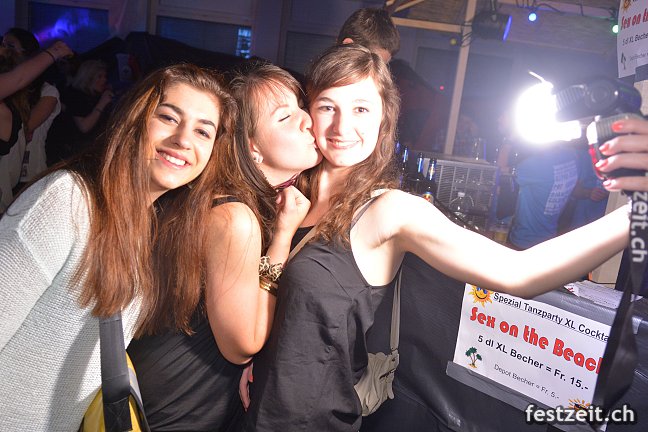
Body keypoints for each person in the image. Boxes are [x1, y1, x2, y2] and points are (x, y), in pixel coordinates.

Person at [241, 44, 631, 431]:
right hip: (252, 410)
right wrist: (256, 357)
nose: (342, 127)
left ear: (384, 118)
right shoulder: (293, 196)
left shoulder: (388, 210)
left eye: (361, 109)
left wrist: (635, 215)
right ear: (309, 112)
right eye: (328, 107)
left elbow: (520, 273)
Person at [0, 63, 236, 431]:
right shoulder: (67, 200)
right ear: (135, 120)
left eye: (203, 131)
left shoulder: (148, 228)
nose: (183, 140)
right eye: (168, 118)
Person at [126, 61, 320, 431]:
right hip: (174, 413)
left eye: (300, 106)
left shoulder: (222, 198)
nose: (307, 120)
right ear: (251, 147)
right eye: (285, 117)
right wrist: (282, 238)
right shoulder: (234, 216)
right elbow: (243, 345)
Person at [2, 28, 62, 184]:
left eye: (10, 46)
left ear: (27, 53)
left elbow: (27, 126)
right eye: (3, 44)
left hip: (29, 172)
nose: (4, 50)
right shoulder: (8, 89)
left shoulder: (48, 91)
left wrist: (54, 53)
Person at [507, 143, 579, 249]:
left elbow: (498, 174)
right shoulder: (572, 155)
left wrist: (508, 141)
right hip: (549, 237)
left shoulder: (536, 165)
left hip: (525, 240)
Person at [47, 59, 113, 161]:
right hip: (75, 153)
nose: (104, 80)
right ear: (88, 78)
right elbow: (84, 126)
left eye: (105, 76)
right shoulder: (76, 96)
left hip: (93, 148)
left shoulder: (96, 95)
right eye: (99, 76)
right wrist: (102, 103)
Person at [0, 40, 71, 99]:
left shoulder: (46, 90)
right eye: (3, 44)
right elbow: (19, 78)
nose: (4, 48)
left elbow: (19, 78)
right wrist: (55, 52)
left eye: (10, 45)